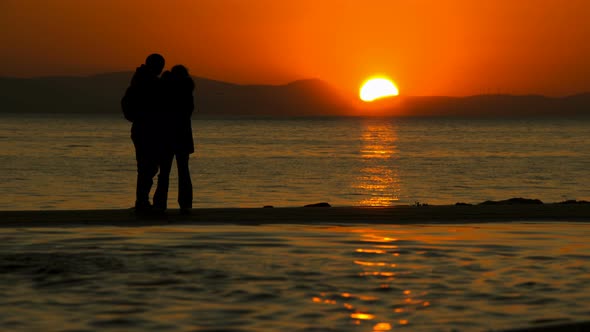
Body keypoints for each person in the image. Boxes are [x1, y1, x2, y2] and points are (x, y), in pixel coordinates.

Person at [121, 53, 165, 213]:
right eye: (160, 66)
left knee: (146, 166)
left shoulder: (138, 80)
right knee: (149, 166)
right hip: (148, 129)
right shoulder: (150, 82)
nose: (161, 70)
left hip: (141, 128)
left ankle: (142, 200)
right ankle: (142, 200)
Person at [152, 65, 195, 214]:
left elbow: (159, 111)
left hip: (167, 135)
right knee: (183, 171)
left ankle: (159, 203)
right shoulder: (187, 92)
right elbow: (188, 112)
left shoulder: (165, 90)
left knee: (164, 172)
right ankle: (185, 203)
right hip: (182, 135)